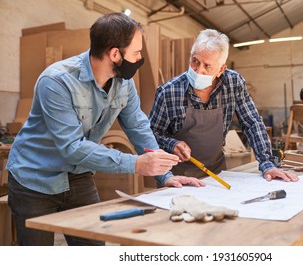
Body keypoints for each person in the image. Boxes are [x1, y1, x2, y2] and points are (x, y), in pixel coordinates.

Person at [6, 12, 204, 246]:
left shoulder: (124, 83)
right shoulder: (56, 81)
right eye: (137, 53)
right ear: (114, 54)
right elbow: (72, 147)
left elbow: (137, 125)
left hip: (78, 177)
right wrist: (135, 164)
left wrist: (164, 175)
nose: (140, 59)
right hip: (35, 179)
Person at [149, 29, 299, 182]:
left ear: (221, 69)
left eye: (207, 66)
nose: (198, 70)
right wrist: (171, 143)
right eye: (195, 60)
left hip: (216, 173)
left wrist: (267, 163)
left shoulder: (233, 83)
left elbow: (252, 123)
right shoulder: (169, 91)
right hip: (177, 176)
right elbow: (152, 132)